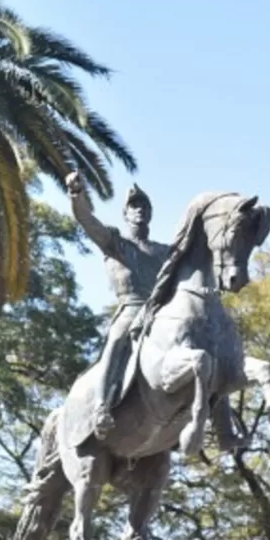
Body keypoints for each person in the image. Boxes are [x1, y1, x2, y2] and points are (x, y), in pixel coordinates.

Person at [66, 170, 171, 440]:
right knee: (116, 341)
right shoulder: (115, 243)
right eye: (134, 206)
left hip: (161, 312)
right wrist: (77, 196)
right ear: (126, 214)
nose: (140, 211)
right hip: (131, 309)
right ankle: (101, 407)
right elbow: (87, 220)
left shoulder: (164, 251)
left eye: (144, 207)